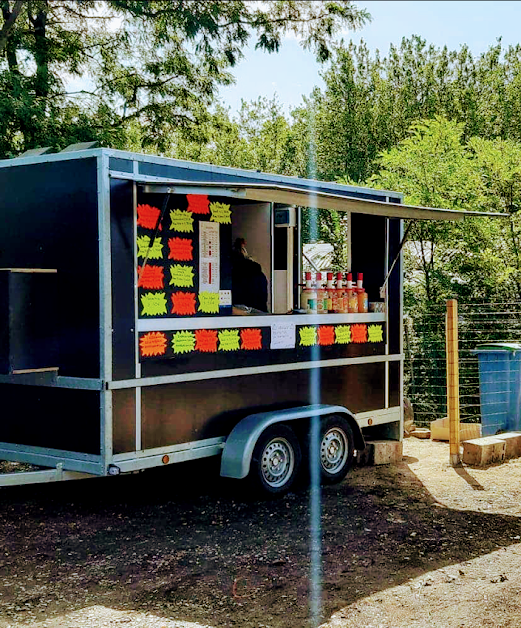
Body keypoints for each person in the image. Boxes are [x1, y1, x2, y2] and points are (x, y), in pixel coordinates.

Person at [231, 238, 269, 312]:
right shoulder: (258, 273)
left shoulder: (230, 274)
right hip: (258, 312)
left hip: (237, 313)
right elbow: (263, 297)